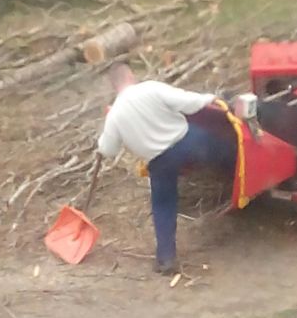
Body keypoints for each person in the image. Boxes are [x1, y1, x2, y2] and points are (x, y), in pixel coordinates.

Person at [97, 64, 236, 275]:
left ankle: (166, 258)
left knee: (163, 205)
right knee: (226, 150)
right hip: (186, 142)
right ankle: (240, 179)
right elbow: (188, 103)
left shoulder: (115, 115)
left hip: (160, 161)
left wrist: (103, 136)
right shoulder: (150, 89)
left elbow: (108, 149)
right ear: (131, 76)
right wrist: (211, 98)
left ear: (113, 86)